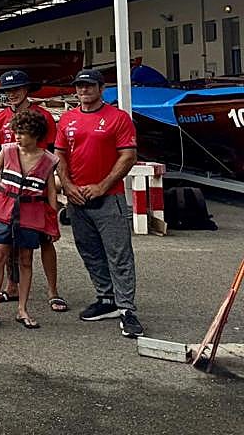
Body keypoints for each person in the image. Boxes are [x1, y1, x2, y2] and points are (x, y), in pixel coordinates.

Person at [55, 69, 144, 338]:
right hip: (77, 198)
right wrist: (68, 187)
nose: (84, 91)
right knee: (89, 251)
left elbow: (128, 156)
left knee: (119, 254)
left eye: (89, 86)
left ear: (101, 88)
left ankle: (127, 309)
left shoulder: (118, 118)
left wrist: (103, 186)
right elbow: (59, 155)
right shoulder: (68, 119)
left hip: (109, 197)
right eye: (80, 86)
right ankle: (106, 299)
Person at [0, 109, 59, 329]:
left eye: (23, 132)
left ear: (36, 134)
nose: (17, 136)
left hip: (31, 211)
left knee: (26, 258)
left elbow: (50, 192)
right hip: (5, 208)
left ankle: (22, 309)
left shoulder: (49, 160)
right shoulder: (8, 151)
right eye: (16, 131)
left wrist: (52, 221)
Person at [0, 69, 65, 312]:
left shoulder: (42, 116)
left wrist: (55, 187)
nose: (12, 94)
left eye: (17, 89)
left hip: (39, 188)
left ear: (27, 90)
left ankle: (53, 291)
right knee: (10, 242)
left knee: (46, 240)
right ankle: (12, 286)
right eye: (8, 91)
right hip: (12, 192)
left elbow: (54, 152)